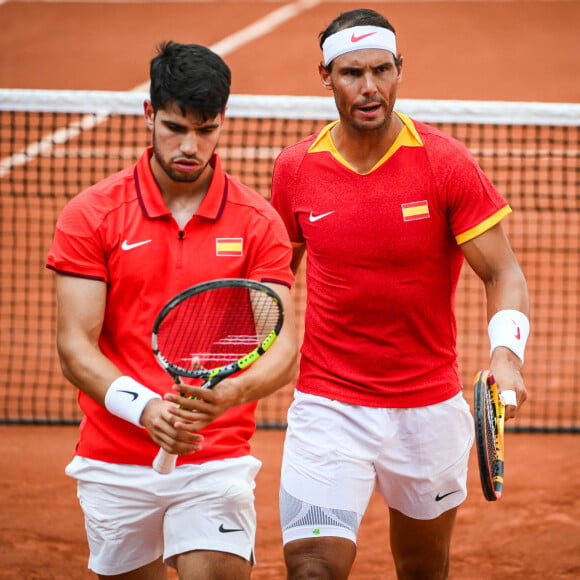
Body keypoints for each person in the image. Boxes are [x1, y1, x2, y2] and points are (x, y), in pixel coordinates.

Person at [270, 8, 530, 579]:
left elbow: (502, 273)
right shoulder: (295, 169)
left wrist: (506, 357)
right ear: (325, 75)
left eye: (382, 71)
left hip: (428, 410)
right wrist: (245, 352)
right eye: (351, 73)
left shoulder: (445, 164)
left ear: (399, 70)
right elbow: (272, 279)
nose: (369, 88)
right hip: (328, 405)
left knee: (422, 569)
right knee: (312, 567)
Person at [46, 41, 298, 580]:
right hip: (114, 458)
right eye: (175, 127)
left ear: (222, 123)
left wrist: (223, 396)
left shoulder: (257, 223)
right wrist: (144, 409)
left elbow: (283, 350)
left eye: (206, 130)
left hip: (215, 456)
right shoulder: (91, 216)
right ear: (149, 115)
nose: (190, 146)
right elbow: (74, 346)